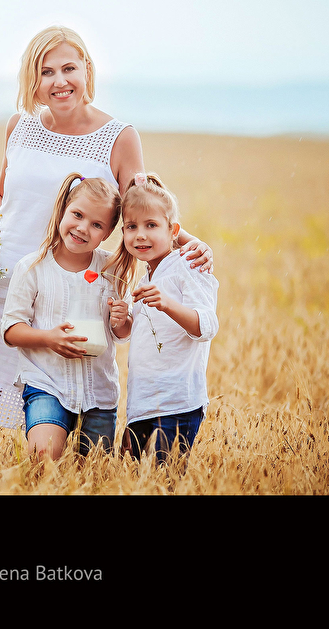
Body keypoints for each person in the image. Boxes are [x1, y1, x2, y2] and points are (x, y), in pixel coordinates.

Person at [0, 26, 213, 443]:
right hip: (1, 279)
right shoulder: (19, 126)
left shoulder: (119, 137)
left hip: (69, 291)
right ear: (32, 79)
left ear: (87, 68)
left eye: (69, 68)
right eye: (46, 71)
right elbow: (0, 193)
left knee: (58, 400)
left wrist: (188, 242)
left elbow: (141, 207)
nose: (60, 81)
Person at [1, 173, 132, 460]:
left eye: (96, 224)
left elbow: (122, 333)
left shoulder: (111, 269)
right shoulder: (32, 267)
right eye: (77, 215)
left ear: (108, 232)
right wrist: (48, 338)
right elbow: (11, 329)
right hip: (47, 382)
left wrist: (122, 320)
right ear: (63, 210)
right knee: (44, 455)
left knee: (94, 469)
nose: (83, 228)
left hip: (98, 391)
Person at [108, 172, 219, 463]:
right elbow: (140, 333)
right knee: (131, 477)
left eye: (151, 225)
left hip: (177, 403)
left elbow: (207, 326)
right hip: (142, 403)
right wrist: (122, 321)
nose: (140, 235)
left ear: (173, 231)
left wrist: (167, 304)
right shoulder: (146, 276)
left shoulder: (188, 265)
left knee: (165, 476)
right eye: (131, 226)